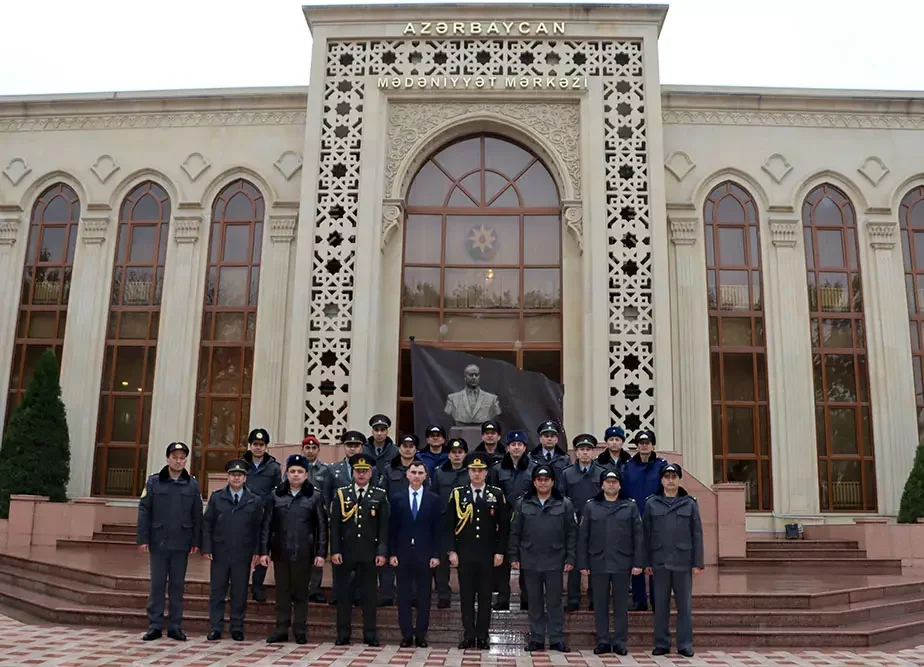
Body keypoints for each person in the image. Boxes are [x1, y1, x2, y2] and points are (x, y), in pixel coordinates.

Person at [137, 441, 202, 642]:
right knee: (157, 586)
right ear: (167, 459)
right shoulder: (154, 482)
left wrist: (196, 540)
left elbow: (197, 515)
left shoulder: (192, 484)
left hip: (181, 543)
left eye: (182, 458)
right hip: (158, 542)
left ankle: (175, 626)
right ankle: (155, 626)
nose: (179, 461)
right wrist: (143, 538)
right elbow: (144, 511)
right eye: (175, 457)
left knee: (177, 586)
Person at [260, 453, 328, 644]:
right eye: (292, 471)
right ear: (286, 473)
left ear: (306, 474)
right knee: (282, 593)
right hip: (281, 552)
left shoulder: (314, 496)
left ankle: (299, 630)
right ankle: (281, 629)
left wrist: (321, 553)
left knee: (300, 593)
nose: (296, 475)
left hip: (305, 552)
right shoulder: (276, 495)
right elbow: (267, 525)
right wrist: (264, 551)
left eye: (300, 471)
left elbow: (322, 527)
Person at [509, 464, 577, 653]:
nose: (543, 483)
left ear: (553, 482)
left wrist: (570, 557)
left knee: (555, 602)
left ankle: (557, 639)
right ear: (534, 482)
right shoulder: (523, 503)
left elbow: (572, 533)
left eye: (546, 480)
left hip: (555, 560)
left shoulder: (564, 503)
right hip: (530, 559)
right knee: (534, 602)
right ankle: (537, 639)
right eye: (539, 479)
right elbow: (515, 532)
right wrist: (514, 556)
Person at [446, 452, 508, 650]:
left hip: (488, 554)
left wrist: (500, 552)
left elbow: (504, 526)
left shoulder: (496, 494)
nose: (477, 474)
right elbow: (448, 525)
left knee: (485, 596)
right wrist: (451, 551)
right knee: (466, 597)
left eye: (481, 470)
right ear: (468, 472)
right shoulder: (458, 494)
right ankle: (468, 634)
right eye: (474, 470)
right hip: (464, 553)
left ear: (486, 472)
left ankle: (482, 635)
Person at [578, 469, 644, 656]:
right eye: (608, 481)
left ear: (620, 485)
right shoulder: (591, 506)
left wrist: (638, 563)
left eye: (615, 481)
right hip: (598, 562)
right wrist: (583, 563)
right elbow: (583, 537)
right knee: (600, 605)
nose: (611, 484)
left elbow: (638, 537)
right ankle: (603, 641)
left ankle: (620, 642)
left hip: (622, 562)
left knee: (621, 606)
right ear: (602, 484)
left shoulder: (629, 506)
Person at [644, 463, 704, 658]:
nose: (670, 480)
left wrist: (697, 563)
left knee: (684, 607)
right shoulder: (651, 503)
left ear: (679, 479)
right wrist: (646, 562)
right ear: (661, 480)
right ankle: (661, 643)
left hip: (683, 561)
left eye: (673, 476)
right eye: (667, 476)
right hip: (659, 561)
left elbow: (697, 534)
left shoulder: (690, 503)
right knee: (660, 606)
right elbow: (646, 535)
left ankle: (685, 644)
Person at [330, 452, 390, 646]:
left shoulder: (379, 495)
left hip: (369, 553)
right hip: (346, 553)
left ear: (371, 473)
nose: (362, 475)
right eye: (358, 471)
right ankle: (343, 633)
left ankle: (370, 634)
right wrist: (335, 551)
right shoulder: (342, 494)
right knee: (344, 594)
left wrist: (381, 552)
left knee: (369, 596)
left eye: (365, 471)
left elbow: (383, 527)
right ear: (353, 472)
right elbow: (336, 526)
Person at [202, 458, 263, 642]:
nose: (236, 478)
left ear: (245, 478)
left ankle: (237, 627)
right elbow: (207, 524)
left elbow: (258, 528)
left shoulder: (254, 500)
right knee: (217, 592)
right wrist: (207, 547)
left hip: (242, 554)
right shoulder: (217, 497)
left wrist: (257, 552)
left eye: (240, 475)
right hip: (220, 552)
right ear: (227, 477)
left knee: (239, 592)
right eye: (233, 475)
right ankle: (216, 627)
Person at [389, 460, 441, 647]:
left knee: (424, 596)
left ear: (426, 476)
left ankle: (421, 635)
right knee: (403, 596)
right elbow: (392, 529)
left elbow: (437, 530)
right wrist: (392, 553)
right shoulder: (397, 498)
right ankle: (406, 634)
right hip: (402, 554)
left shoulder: (433, 499)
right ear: (407, 475)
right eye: (413, 472)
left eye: (420, 473)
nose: (417, 476)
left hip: (425, 555)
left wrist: (436, 554)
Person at [487, 429, 534, 611]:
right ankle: (503, 598)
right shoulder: (498, 469)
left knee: (526, 560)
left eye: (519, 445)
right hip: (503, 520)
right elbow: (492, 495)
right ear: (507, 448)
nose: (516, 448)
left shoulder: (533, 468)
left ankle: (527, 598)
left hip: (527, 521)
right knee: (503, 561)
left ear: (524, 447)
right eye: (513, 445)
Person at [558, 433, 604, 612]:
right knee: (574, 563)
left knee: (595, 563)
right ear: (576, 453)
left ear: (593, 453)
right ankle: (573, 600)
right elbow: (562, 499)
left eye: (588, 449)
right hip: (575, 524)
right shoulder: (567, 473)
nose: (585, 453)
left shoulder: (602, 473)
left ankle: (595, 598)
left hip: (597, 525)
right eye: (581, 450)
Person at [622, 429, 667, 611]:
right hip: (633, 518)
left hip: (656, 520)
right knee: (637, 560)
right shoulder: (628, 466)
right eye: (640, 443)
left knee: (656, 561)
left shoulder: (661, 466)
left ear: (653, 445)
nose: (644, 445)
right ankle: (639, 600)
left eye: (647, 442)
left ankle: (657, 599)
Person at [323, 430, 366, 608]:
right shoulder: (333, 470)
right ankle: (339, 593)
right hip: (341, 523)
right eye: (349, 446)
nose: (353, 449)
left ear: (362, 447)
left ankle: (357, 594)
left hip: (363, 523)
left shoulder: (370, 470)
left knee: (361, 561)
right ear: (344, 447)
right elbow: (326, 496)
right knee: (338, 560)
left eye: (356, 446)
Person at [241, 427, 281, 603]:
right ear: (250, 445)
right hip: (243, 514)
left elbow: (278, 492)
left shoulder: (273, 467)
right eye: (255, 444)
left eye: (261, 444)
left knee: (263, 549)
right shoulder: (240, 465)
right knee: (242, 550)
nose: (258, 448)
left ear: (266, 446)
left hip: (265, 515)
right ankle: (240, 585)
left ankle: (257, 586)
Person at [430, 437, 469, 608]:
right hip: (444, 522)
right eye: (453, 453)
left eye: (460, 452)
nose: (457, 456)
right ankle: (443, 594)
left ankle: (467, 593)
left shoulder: (471, 472)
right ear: (449, 454)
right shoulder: (439, 473)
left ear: (465, 454)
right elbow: (434, 496)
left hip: (466, 521)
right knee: (443, 561)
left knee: (466, 559)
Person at [301, 435, 330, 604]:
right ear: (302, 449)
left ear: (318, 450)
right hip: (299, 517)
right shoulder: (295, 468)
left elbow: (328, 494)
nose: (310, 451)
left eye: (313, 448)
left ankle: (315, 589)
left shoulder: (326, 470)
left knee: (318, 554)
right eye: (307, 448)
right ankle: (300, 588)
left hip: (319, 518)